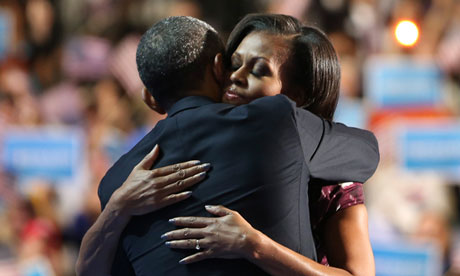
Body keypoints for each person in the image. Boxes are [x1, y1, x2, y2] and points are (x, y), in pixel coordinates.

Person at [76, 16, 378, 276]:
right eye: (234, 64)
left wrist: (255, 245)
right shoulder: (143, 179)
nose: (236, 77)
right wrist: (118, 207)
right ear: (219, 68)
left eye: (259, 70)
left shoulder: (332, 177)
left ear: (296, 97)